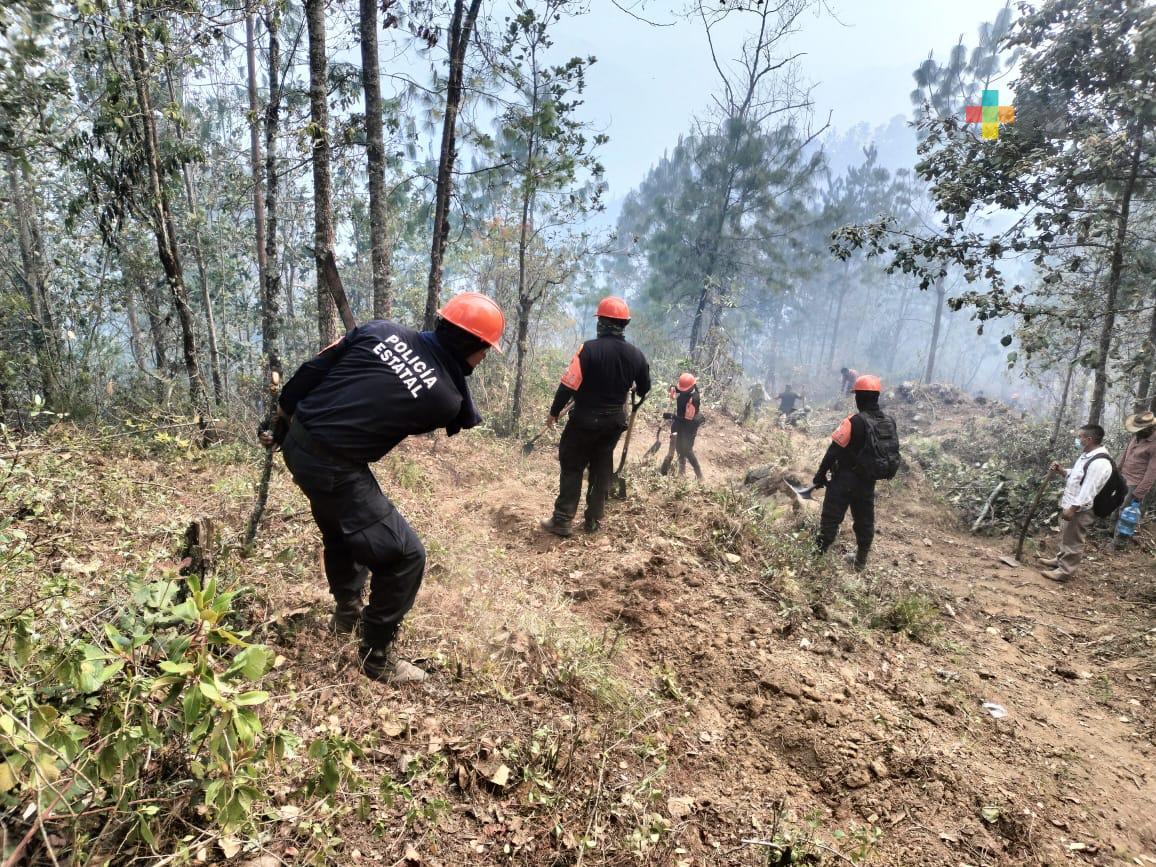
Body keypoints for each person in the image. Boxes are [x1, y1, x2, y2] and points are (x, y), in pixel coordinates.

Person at [259, 292, 505, 682]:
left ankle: (346, 615)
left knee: (341, 531)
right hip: (334, 467)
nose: (486, 357)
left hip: (298, 442)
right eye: (485, 349)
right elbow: (451, 409)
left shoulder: (380, 329)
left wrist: (281, 418)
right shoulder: (444, 399)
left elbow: (312, 370)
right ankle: (376, 658)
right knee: (406, 557)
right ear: (469, 346)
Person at [540, 296, 651, 537]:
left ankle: (562, 520)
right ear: (624, 325)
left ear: (601, 322)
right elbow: (644, 389)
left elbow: (567, 385)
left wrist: (554, 412)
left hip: (583, 421)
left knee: (572, 466)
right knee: (601, 468)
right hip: (612, 424)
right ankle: (593, 521)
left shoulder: (588, 350)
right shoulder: (637, 355)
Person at [811, 374, 900, 571]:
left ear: (859, 397)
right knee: (864, 520)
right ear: (876, 396)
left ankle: (815, 560)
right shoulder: (889, 421)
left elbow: (833, 451)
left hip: (844, 480)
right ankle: (860, 561)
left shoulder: (854, 421)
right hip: (867, 482)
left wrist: (820, 475)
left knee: (831, 519)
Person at [1038, 424, 1113, 583]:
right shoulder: (1087, 454)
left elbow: (1089, 489)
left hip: (1081, 508)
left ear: (1089, 439)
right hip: (1072, 503)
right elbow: (1078, 477)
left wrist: (1073, 508)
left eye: (1080, 437)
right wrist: (1062, 471)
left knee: (1074, 540)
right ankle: (1059, 560)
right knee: (1066, 535)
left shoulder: (1099, 462)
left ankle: (1064, 572)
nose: (1078, 440)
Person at [661, 372, 704, 480]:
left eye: (684, 389)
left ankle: (699, 474)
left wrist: (672, 416)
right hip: (680, 421)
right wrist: (672, 389)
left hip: (690, 424)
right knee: (678, 446)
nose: (682, 391)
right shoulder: (685, 388)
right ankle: (682, 470)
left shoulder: (694, 399)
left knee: (687, 449)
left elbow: (686, 420)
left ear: (691, 387)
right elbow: (677, 389)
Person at [1119, 410, 1156, 509]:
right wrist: (1117, 470)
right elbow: (1126, 452)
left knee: (1124, 513)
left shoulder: (1154, 444)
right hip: (1123, 477)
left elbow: (1152, 473)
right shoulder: (1138, 435)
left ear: (1149, 429)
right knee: (1116, 507)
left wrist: (1139, 493)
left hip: (1134, 484)